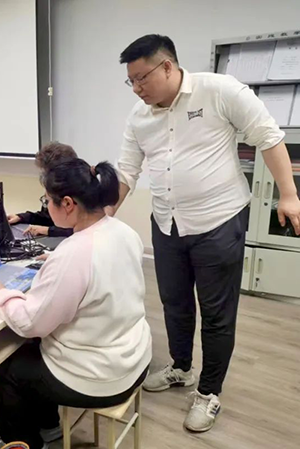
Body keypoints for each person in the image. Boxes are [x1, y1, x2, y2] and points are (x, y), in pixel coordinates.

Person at [113, 34, 300, 432]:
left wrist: (288, 194)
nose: (136, 88)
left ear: (167, 66)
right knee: (174, 303)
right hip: (167, 223)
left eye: (141, 78)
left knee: (216, 314)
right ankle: (181, 368)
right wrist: (103, 213)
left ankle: (209, 392)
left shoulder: (219, 90)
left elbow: (269, 136)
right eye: (131, 81)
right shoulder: (139, 116)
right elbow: (127, 171)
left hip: (218, 222)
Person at [0, 159, 152, 449]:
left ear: (68, 204)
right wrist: (55, 265)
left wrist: (0, 294)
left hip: (102, 377)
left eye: (47, 200)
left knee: (9, 370)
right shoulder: (123, 232)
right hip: (133, 357)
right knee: (36, 351)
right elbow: (100, 274)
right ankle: (49, 427)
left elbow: (30, 323)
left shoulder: (73, 254)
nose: (46, 206)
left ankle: (28, 443)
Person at [7, 141, 75, 238]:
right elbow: (47, 217)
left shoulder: (81, 193)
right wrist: (21, 217)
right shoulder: (58, 189)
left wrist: (48, 230)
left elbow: (80, 229)